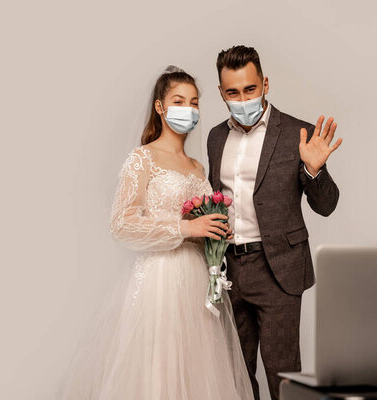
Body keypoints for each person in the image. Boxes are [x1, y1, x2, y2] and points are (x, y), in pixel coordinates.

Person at [57, 65, 255, 400]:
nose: (188, 110)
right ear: (160, 108)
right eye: (179, 101)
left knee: (199, 368)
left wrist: (214, 232)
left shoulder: (197, 167)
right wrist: (185, 227)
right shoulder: (142, 159)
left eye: (194, 103)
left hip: (196, 280)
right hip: (159, 281)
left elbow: (201, 223)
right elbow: (121, 224)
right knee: (158, 370)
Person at [207, 45, 342, 400]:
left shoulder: (299, 133)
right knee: (235, 374)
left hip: (279, 269)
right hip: (229, 270)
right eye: (232, 92)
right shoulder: (216, 137)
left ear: (265, 84)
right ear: (221, 93)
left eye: (250, 89)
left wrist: (313, 170)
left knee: (282, 375)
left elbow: (326, 206)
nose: (242, 99)